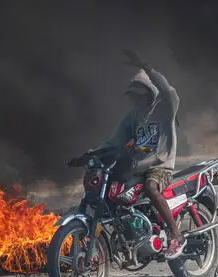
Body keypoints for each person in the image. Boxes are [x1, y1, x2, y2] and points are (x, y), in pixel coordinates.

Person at [71, 50, 185, 260]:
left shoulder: (165, 109)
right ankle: (127, 234)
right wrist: (88, 155)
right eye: (133, 96)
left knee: (151, 187)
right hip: (137, 166)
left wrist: (147, 66)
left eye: (139, 95)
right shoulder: (131, 117)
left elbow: (168, 91)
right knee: (110, 189)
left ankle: (176, 235)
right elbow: (112, 141)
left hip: (159, 166)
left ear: (150, 93)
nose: (135, 100)